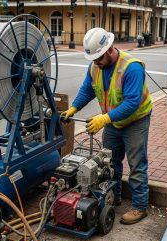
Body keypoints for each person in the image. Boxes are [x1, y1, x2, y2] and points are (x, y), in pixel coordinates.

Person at [61, 27, 152, 225]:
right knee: (109, 163)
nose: (97, 63)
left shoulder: (131, 67)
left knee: (137, 164)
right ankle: (114, 197)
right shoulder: (95, 66)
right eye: (94, 59)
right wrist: (74, 108)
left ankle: (139, 207)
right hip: (113, 121)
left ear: (110, 49)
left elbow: (131, 103)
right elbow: (87, 89)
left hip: (136, 120)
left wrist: (103, 119)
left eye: (99, 58)